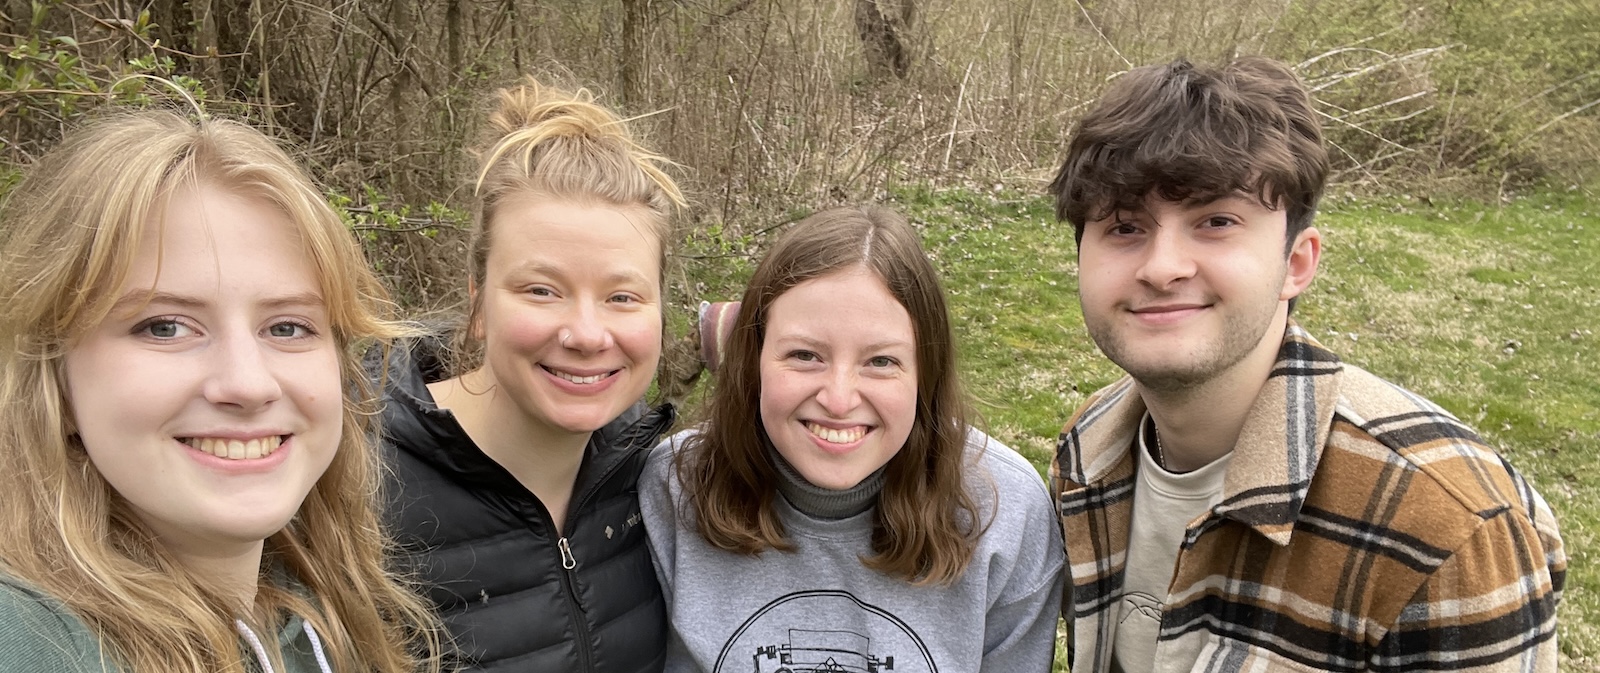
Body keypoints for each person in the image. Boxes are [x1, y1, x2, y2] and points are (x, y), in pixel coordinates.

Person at [1047, 56, 1566, 672]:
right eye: (1125, 227)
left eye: (1216, 222)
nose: (1162, 267)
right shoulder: (1086, 454)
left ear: (1297, 262)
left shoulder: (1447, 528)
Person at [0, 110, 439, 672]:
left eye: (287, 326)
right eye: (164, 326)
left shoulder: (318, 608)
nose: (248, 384)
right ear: (55, 377)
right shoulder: (29, 644)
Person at [641, 205, 1065, 673]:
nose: (839, 399)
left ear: (926, 373)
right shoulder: (673, 487)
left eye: (881, 361)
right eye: (805, 355)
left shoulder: (1004, 511)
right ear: (754, 360)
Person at [377, 78, 685, 672]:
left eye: (623, 297)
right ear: (477, 305)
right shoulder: (357, 485)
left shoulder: (660, 486)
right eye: (541, 290)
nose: (588, 334)